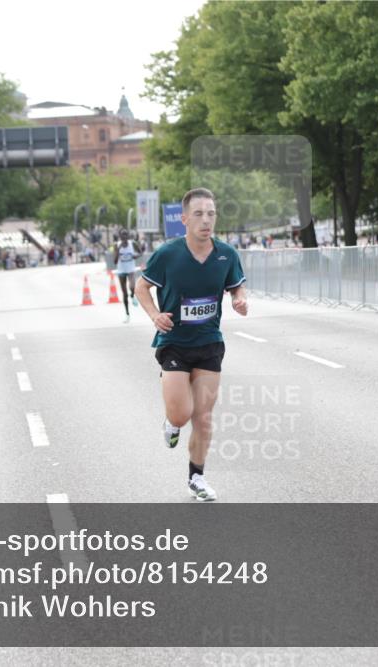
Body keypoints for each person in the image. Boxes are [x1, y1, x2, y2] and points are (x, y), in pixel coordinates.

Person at [134, 188, 248, 502]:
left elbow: (237, 286)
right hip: (174, 343)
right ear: (184, 219)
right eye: (198, 214)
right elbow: (141, 287)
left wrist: (239, 300)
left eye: (211, 213)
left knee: (204, 416)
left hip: (209, 342)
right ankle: (171, 422)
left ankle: (196, 477)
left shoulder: (226, 254)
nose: (205, 220)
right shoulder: (168, 254)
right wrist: (155, 315)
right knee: (183, 414)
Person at [113, 229, 143, 323]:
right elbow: (115, 261)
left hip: (130, 269)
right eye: (122, 235)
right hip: (121, 270)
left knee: (132, 286)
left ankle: (133, 295)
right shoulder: (116, 245)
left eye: (126, 235)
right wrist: (118, 250)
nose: (124, 237)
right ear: (120, 236)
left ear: (128, 236)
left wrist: (136, 256)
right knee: (124, 294)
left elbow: (140, 253)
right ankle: (127, 314)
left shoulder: (132, 243)